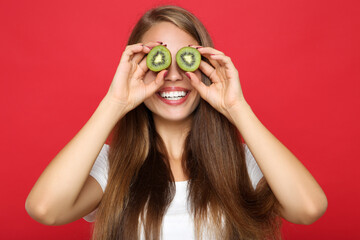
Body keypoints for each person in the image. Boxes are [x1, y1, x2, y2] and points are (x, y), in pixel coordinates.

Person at [25, 5, 328, 240]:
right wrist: (114, 102)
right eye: (158, 60)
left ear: (206, 65)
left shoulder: (242, 164)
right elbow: (45, 209)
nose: (172, 75)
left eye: (185, 59)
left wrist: (237, 107)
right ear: (134, 70)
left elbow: (309, 208)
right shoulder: (112, 166)